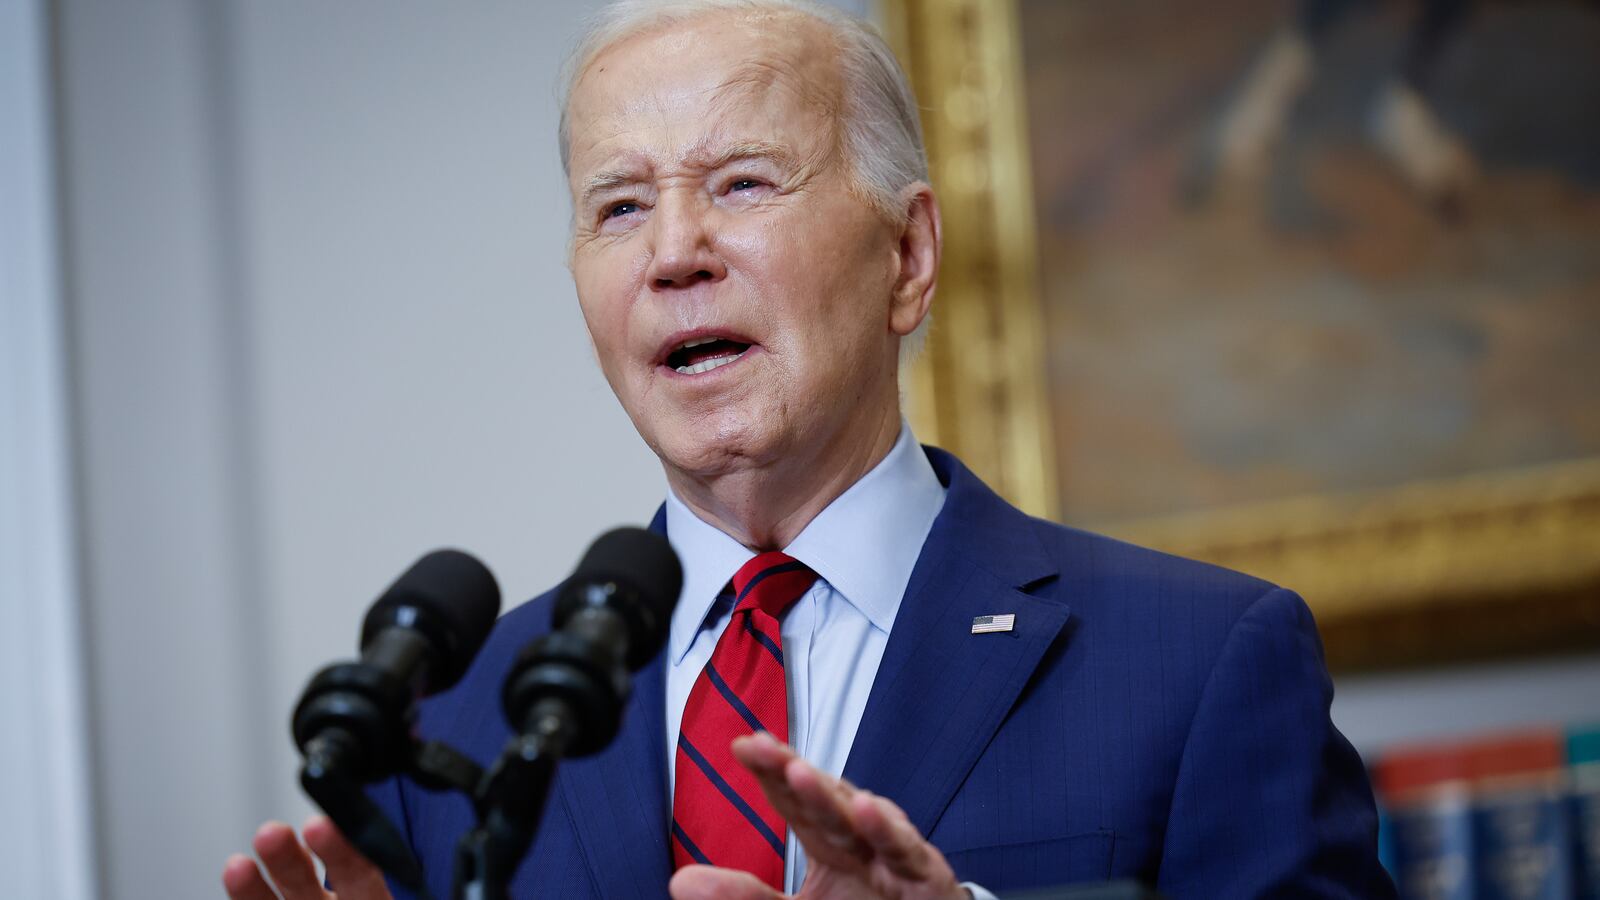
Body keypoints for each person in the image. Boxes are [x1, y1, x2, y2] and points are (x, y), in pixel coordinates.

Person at [222, 1, 1395, 897]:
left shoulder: (1202, 663)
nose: (672, 253)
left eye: (741, 183)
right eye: (619, 206)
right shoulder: (456, 722)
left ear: (906, 256)